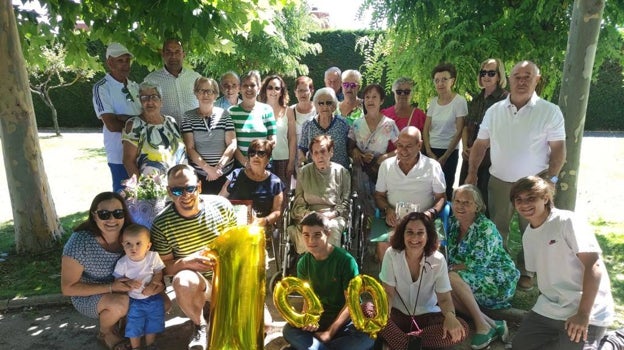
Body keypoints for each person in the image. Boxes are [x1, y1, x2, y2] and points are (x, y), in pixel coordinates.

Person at [465, 60, 566, 290]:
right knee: (497, 227)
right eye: (517, 77)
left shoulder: (549, 111)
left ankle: (527, 271)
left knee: (531, 229)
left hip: (534, 183)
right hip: (499, 180)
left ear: (536, 80)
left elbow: (559, 149)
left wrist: (551, 180)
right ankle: (501, 267)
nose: (521, 81)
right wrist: (471, 173)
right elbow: (480, 145)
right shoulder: (494, 111)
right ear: (508, 79)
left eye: (527, 77)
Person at [510, 176, 614, 350]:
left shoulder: (567, 221)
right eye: (518, 199)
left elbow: (593, 266)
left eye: (531, 198)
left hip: (587, 308)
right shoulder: (528, 234)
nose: (524, 204)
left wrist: (583, 314)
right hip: (551, 307)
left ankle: (614, 341)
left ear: (545, 198)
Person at [151, 164, 236, 350]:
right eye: (177, 190)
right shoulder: (161, 224)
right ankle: (199, 325)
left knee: (265, 326)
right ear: (168, 191)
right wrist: (186, 262)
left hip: (229, 278)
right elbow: (164, 268)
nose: (185, 195)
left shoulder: (221, 206)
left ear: (199, 187)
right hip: (196, 282)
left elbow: (238, 248)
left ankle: (221, 312)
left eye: (190, 188)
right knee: (182, 280)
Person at [61, 192, 161, 350]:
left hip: (126, 287)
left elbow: (151, 262)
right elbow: (68, 288)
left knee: (163, 303)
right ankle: (106, 332)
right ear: (94, 216)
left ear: (124, 214)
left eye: (118, 213)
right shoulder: (80, 241)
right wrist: (111, 287)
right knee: (122, 303)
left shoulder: (131, 235)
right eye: (104, 214)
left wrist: (155, 284)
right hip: (88, 294)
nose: (112, 219)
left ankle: (123, 326)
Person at [282, 212, 375, 350]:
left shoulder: (346, 261)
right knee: (288, 330)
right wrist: (308, 319)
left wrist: (330, 333)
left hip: (345, 323)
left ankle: (314, 347)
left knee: (367, 339)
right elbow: (308, 299)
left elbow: (351, 303)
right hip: (319, 320)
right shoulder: (303, 263)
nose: (311, 241)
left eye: (317, 235)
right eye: (306, 235)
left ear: (328, 234)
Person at [376, 212, 468, 349]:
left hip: (427, 318)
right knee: (368, 310)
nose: (415, 238)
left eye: (420, 233)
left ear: (428, 235)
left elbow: (444, 298)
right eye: (410, 232)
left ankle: (398, 342)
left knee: (462, 328)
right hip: (396, 315)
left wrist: (450, 316)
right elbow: (387, 293)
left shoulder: (438, 259)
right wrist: (384, 315)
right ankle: (411, 344)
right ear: (402, 234)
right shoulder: (391, 254)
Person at [446, 185, 518, 349]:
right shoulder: (453, 224)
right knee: (439, 285)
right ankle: (493, 323)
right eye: (457, 201)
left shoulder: (485, 228)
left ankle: (482, 326)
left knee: (447, 278)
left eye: (467, 202)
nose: (460, 206)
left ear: (477, 206)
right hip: (464, 276)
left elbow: (477, 265)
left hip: (495, 279)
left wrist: (448, 269)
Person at [373, 126, 446, 261]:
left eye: (408, 146)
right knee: (384, 244)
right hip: (395, 220)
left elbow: (441, 198)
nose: (403, 151)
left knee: (432, 247)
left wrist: (430, 213)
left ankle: (425, 279)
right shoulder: (387, 166)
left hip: (424, 220)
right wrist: (387, 210)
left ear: (419, 145)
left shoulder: (432, 166)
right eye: (400, 146)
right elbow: (379, 195)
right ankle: (389, 281)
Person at [458, 58, 509, 212]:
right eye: (483, 73)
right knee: (465, 194)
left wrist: (478, 150)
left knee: (484, 200)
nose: (486, 76)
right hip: (470, 155)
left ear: (499, 76)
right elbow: (467, 126)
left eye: (491, 73)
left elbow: (503, 131)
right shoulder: (477, 98)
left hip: (490, 157)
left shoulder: (505, 99)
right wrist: (466, 147)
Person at [92, 43, 141, 192]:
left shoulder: (135, 86)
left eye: (127, 60)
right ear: (110, 62)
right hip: (119, 155)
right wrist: (137, 123)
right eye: (121, 61)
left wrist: (124, 118)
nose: (126, 65)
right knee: (123, 197)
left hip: (142, 152)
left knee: (145, 196)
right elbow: (112, 125)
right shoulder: (102, 87)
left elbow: (146, 117)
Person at [289, 135, 351, 253]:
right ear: (311, 156)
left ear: (331, 152)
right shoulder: (304, 172)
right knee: (309, 231)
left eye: (323, 151)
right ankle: (308, 264)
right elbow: (298, 205)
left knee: (331, 230)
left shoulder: (342, 172)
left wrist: (331, 215)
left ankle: (330, 265)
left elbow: (345, 203)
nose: (319, 156)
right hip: (308, 215)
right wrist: (311, 215)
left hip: (332, 215)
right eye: (315, 153)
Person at [349, 84, 400, 216]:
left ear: (381, 100)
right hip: (360, 171)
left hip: (380, 170)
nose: (370, 100)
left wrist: (385, 157)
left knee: (381, 202)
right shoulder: (357, 124)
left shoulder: (389, 124)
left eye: (374, 97)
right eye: (367, 97)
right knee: (360, 207)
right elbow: (350, 147)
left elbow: (401, 148)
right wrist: (357, 153)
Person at [113, 224, 166, 350]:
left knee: (152, 322)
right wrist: (129, 283)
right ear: (123, 245)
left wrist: (153, 284)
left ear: (148, 246)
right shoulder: (123, 263)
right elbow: (117, 281)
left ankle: (150, 345)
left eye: (138, 243)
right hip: (134, 301)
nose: (133, 248)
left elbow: (159, 272)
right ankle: (135, 346)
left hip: (153, 298)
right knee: (134, 324)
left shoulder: (153, 257)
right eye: (128, 244)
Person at [182, 76, 236, 194]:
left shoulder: (224, 114)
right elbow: (189, 148)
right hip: (200, 175)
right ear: (196, 94)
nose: (205, 94)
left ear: (215, 95)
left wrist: (218, 168)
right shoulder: (188, 117)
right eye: (202, 90)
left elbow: (232, 144)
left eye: (210, 91)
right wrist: (208, 169)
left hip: (224, 173)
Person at [122, 82, 185, 178]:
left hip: (179, 184)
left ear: (161, 101)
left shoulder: (171, 122)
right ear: (140, 101)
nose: (150, 101)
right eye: (144, 98)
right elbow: (128, 160)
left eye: (154, 96)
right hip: (152, 186)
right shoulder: (134, 124)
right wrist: (138, 186)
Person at [423, 63, 468, 199]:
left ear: (452, 81)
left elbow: (460, 130)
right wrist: (429, 151)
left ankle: (443, 218)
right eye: (437, 80)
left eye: (444, 79)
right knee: (427, 188)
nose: (440, 83)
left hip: (449, 152)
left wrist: (445, 156)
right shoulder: (433, 102)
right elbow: (426, 128)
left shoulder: (459, 101)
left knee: (445, 188)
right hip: (431, 151)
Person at [219, 139, 285, 228]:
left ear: (268, 159)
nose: (256, 156)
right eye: (252, 153)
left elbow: (277, 211)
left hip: (260, 228)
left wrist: (264, 221)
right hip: (234, 226)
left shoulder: (275, 182)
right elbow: (220, 199)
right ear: (249, 158)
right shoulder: (236, 175)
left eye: (261, 153)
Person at [143, 39, 201, 126]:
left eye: (177, 52)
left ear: (183, 54)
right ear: (163, 55)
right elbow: (144, 108)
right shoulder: (151, 80)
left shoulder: (196, 78)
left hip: (195, 133)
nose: (173, 56)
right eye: (168, 52)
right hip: (165, 134)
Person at [227, 70, 276, 168]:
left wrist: (259, 160)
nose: (249, 88)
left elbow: (273, 140)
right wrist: (246, 163)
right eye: (245, 85)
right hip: (241, 166)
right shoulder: (231, 112)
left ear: (258, 88)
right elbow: (231, 143)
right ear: (240, 88)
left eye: (253, 85)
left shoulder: (267, 110)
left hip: (264, 165)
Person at [259, 74, 296, 190]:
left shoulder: (288, 111)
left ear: (281, 91)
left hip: (283, 160)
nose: (273, 91)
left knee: (282, 196)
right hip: (262, 159)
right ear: (265, 90)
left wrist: (291, 162)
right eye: (270, 87)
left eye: (277, 88)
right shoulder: (258, 110)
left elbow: (292, 138)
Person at [298, 87, 350, 169]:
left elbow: (351, 147)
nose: (325, 106)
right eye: (321, 103)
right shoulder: (308, 125)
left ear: (334, 105)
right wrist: (302, 161)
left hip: (340, 173)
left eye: (328, 103)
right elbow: (302, 149)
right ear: (316, 105)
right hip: (316, 173)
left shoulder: (343, 124)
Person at [287, 76, 316, 163]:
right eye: (300, 90)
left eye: (306, 90)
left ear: (311, 91)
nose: (303, 94)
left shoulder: (319, 110)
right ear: (295, 92)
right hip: (294, 160)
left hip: (316, 159)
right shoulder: (289, 111)